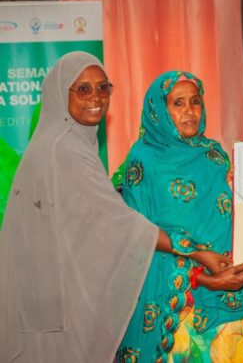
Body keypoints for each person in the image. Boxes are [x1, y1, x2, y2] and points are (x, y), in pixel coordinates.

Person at [0, 52, 160, 362]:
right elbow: (118, 222)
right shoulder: (65, 146)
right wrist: (188, 249)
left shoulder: (58, 140)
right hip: (53, 309)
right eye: (83, 89)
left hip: (46, 298)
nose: (96, 97)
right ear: (61, 94)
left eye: (103, 87)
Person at [116, 71, 243, 362]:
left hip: (230, 296)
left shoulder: (214, 155)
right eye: (178, 103)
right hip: (178, 308)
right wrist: (203, 277)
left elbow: (225, 220)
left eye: (195, 101)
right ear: (158, 110)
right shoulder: (143, 161)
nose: (189, 110)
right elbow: (139, 236)